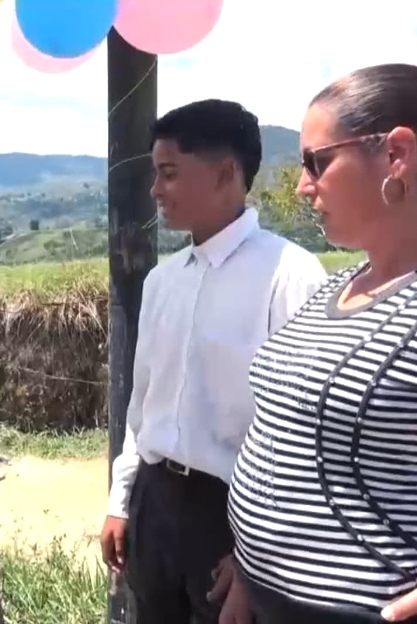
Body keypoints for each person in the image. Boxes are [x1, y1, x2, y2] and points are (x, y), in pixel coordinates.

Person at [217, 63, 417, 624]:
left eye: (317, 161)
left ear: (396, 154)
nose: (303, 184)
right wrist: (251, 565)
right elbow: (289, 441)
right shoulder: (346, 283)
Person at [99, 99, 329, 624]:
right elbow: (144, 407)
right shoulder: (163, 281)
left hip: (231, 515)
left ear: (226, 173)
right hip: (155, 506)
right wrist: (122, 500)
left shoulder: (290, 276)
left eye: (170, 173)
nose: (156, 189)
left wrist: (258, 555)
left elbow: (302, 434)